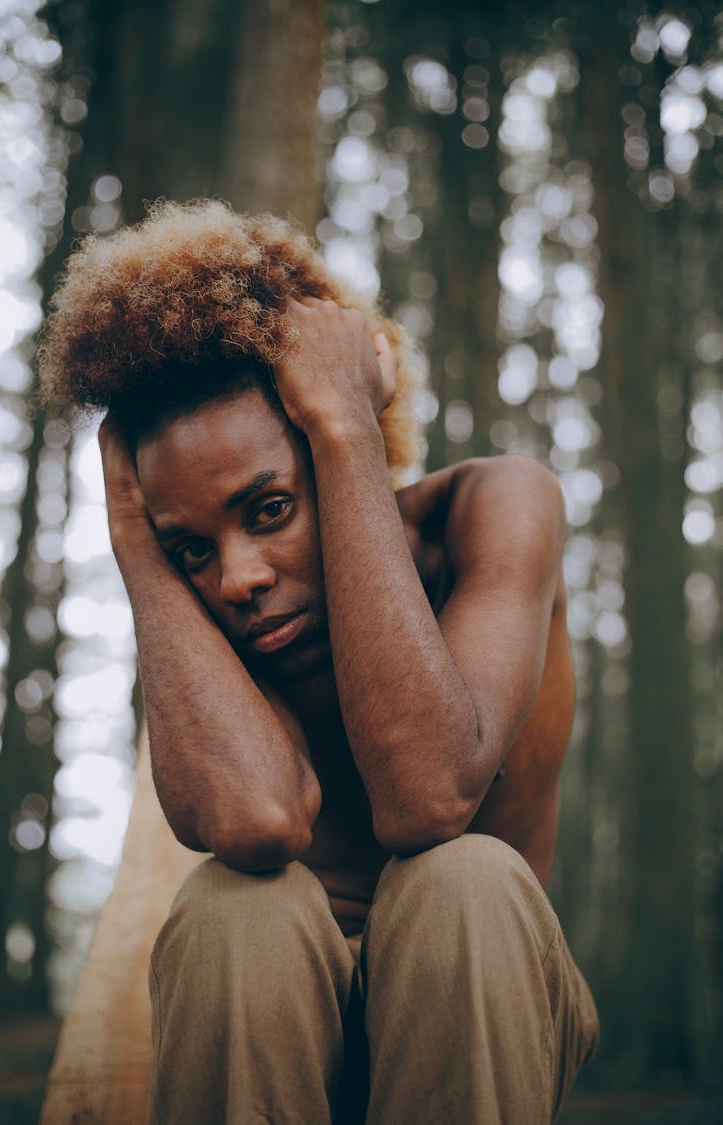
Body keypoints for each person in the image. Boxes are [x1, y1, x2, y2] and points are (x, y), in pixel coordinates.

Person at [40, 199, 598, 1124]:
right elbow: (257, 819)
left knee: (461, 880)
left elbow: (427, 797)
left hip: (481, 1006)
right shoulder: (209, 612)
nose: (238, 579)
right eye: (192, 548)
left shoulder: (491, 512)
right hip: (272, 1025)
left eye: (268, 509)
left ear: (330, 434)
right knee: (235, 910)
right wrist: (138, 547)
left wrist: (346, 425)